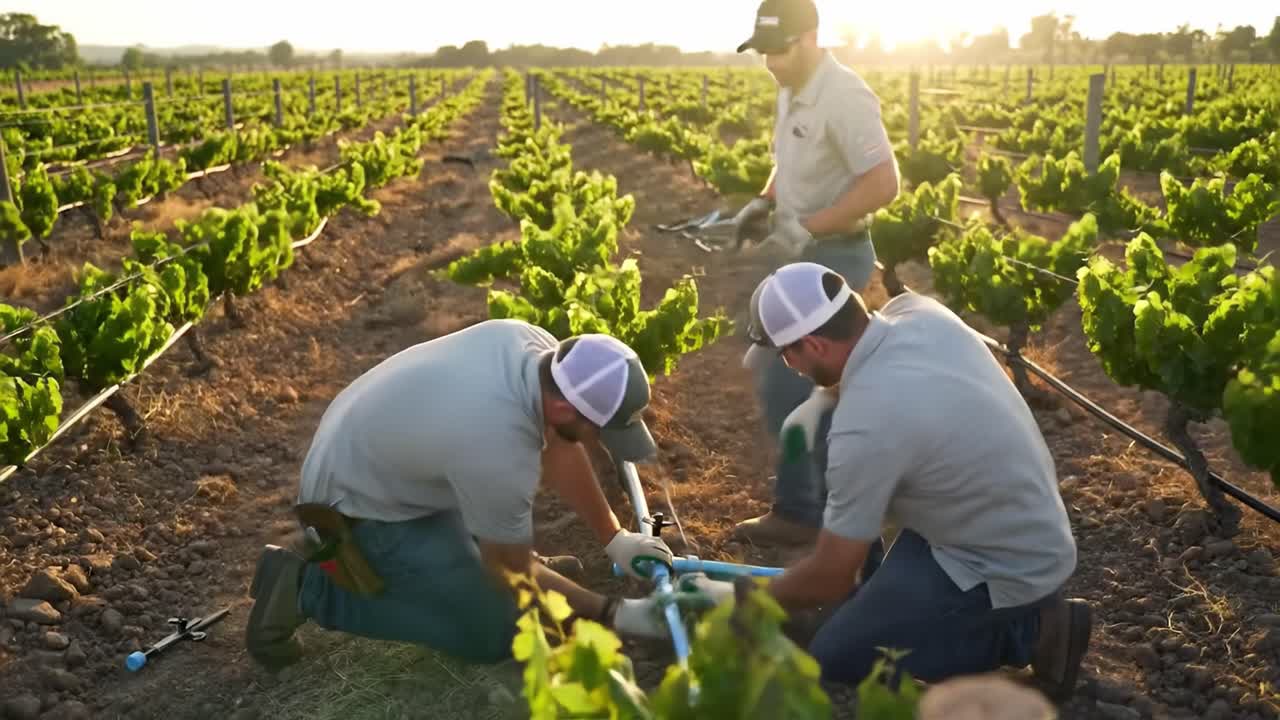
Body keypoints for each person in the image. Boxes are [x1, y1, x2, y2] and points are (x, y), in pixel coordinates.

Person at [683, 262, 1091, 700]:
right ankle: (875, 596)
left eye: (786, 354)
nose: (787, 366)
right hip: (1008, 514)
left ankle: (1036, 631)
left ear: (815, 344)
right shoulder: (916, 311)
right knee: (849, 583)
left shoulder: (866, 423)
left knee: (837, 656)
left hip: (999, 563)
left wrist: (752, 602)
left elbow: (831, 575)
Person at [244, 319, 678, 670]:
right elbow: (509, 568)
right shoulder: (493, 441)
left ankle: (472, 558)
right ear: (566, 408)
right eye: (600, 430)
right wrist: (614, 614)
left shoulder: (539, 350)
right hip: (354, 500)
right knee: (497, 632)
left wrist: (614, 537)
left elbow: (561, 446)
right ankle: (306, 586)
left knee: (507, 567)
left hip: (384, 456)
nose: (600, 441)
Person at [729, 0, 902, 545]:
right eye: (760, 52)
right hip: (800, 255)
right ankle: (843, 499)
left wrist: (812, 227)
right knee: (787, 374)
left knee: (793, 378)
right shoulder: (791, 88)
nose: (768, 63)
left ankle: (808, 511)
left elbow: (883, 183)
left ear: (808, 40)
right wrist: (765, 201)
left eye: (775, 51)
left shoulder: (844, 96)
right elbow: (792, 158)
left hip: (834, 256)